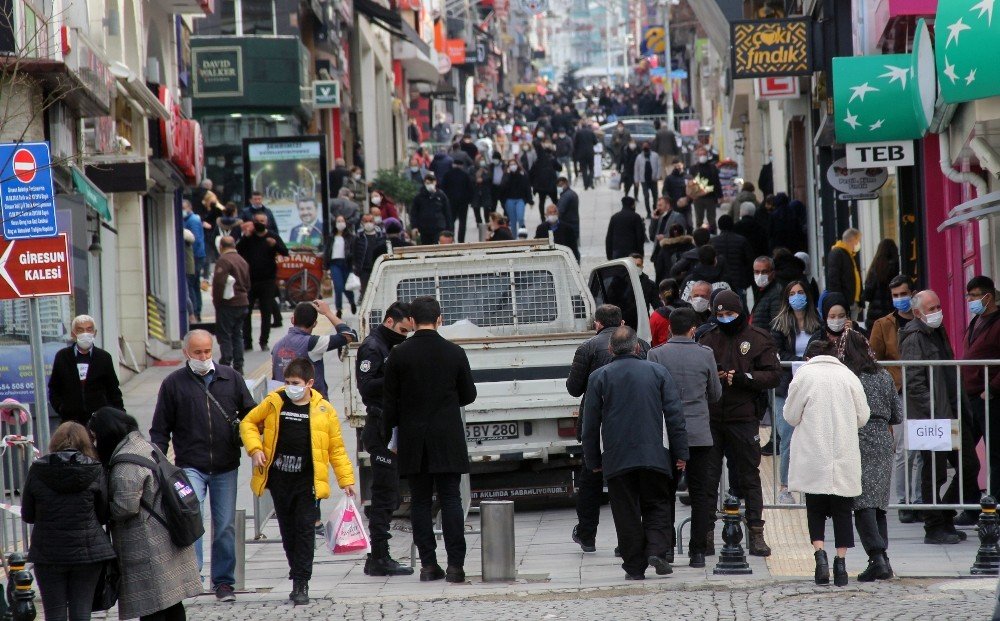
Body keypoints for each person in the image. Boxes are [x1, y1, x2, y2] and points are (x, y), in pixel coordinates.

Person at [149, 330, 257, 601]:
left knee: (224, 526)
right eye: (198, 352)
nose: (203, 357)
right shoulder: (174, 384)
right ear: (186, 352)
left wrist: (258, 445)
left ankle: (223, 582)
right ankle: (192, 575)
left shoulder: (230, 377)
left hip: (225, 464)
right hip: (190, 464)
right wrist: (158, 464)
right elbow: (160, 428)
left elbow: (251, 415)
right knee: (191, 519)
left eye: (207, 351)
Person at [241, 358, 356, 605]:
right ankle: (296, 569)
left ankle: (301, 582)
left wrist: (346, 480)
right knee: (288, 532)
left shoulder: (324, 410)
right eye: (287, 382)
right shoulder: (275, 402)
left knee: (304, 531)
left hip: (308, 482)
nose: (290, 386)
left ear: (309, 383)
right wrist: (255, 449)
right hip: (280, 481)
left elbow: (336, 449)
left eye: (296, 383)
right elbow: (248, 423)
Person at [382, 296, 477, 583]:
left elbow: (390, 403)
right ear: (440, 319)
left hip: (413, 438)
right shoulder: (454, 352)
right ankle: (456, 566)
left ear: (410, 321)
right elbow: (469, 394)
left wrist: (389, 436)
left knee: (420, 501)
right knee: (450, 498)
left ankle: (428, 564)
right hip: (446, 435)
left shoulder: (398, 354)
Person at [581, 326, 688, 580]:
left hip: (617, 457)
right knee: (658, 503)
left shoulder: (599, 377)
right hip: (654, 452)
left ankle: (634, 566)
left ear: (610, 349)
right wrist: (680, 452)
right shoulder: (658, 372)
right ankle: (657, 550)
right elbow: (675, 416)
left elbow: (590, 424)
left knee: (625, 511)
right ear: (638, 347)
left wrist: (593, 459)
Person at [90, 407, 202, 620]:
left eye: (95, 437)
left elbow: (125, 507)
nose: (94, 443)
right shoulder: (145, 446)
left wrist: (101, 511)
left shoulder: (125, 464)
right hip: (168, 535)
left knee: (154, 607)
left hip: (148, 545)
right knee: (172, 604)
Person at [698, 290, 781, 557]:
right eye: (719, 315)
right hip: (712, 417)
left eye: (729, 314)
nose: (724, 319)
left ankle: (757, 533)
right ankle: (706, 536)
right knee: (708, 479)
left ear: (740, 312)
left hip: (744, 416)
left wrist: (745, 378)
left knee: (749, 476)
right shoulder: (707, 338)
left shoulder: (758, 338)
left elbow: (773, 375)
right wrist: (715, 376)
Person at [783, 338, 870, 587]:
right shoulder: (848, 376)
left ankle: (819, 557)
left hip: (814, 454)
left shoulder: (804, 375)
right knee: (843, 511)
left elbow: (790, 416)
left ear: (808, 357)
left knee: (816, 509)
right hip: (843, 453)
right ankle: (840, 564)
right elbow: (863, 416)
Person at [566, 305, 650, 552]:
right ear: (622, 321)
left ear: (597, 324)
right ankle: (629, 538)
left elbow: (573, 388)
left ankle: (587, 534)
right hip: (634, 422)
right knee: (630, 483)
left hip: (597, 422)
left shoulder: (588, 347)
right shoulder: (641, 345)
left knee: (591, 480)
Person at [899, 289, 981, 544]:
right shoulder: (914, 338)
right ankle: (934, 526)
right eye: (931, 309)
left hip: (952, 411)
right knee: (934, 474)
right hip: (933, 417)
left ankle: (944, 515)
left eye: (937, 307)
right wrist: (934, 414)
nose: (937, 313)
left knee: (969, 466)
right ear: (917, 313)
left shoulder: (937, 332)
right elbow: (914, 382)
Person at [647, 309, 721, 568]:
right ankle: (698, 552)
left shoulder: (655, 354)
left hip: (666, 433)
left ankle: (665, 549)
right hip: (699, 433)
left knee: (663, 493)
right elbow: (715, 394)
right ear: (693, 329)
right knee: (700, 493)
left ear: (669, 329)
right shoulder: (706, 355)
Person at [21, 422, 117, 621]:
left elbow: (28, 514)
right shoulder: (95, 470)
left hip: (48, 552)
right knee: (81, 611)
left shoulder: (38, 470)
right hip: (87, 552)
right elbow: (102, 513)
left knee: (54, 613)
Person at [356, 303, 415, 577]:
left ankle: (378, 555)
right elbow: (366, 386)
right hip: (379, 427)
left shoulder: (391, 345)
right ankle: (379, 556)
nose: (405, 336)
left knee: (390, 494)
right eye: (402, 330)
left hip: (390, 426)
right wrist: (397, 376)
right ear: (389, 321)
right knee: (384, 495)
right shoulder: (373, 346)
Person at [837, 329, 901, 582]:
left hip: (858, 438)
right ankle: (883, 558)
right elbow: (897, 413)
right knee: (878, 504)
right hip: (883, 440)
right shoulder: (884, 375)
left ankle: (877, 557)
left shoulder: (849, 378)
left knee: (863, 502)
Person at [868, 275, 922, 521]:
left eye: (904, 294)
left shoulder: (923, 319)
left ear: (912, 293)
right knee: (902, 449)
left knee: (921, 448)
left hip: (922, 389)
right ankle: (903, 500)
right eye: (895, 295)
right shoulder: (884, 324)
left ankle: (920, 498)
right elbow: (873, 361)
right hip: (898, 390)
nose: (900, 299)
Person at [768, 280, 821, 503]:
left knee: (814, 436)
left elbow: (820, 349)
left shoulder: (817, 323)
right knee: (788, 436)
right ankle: (785, 486)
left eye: (801, 293)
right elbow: (778, 355)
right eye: (792, 293)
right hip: (786, 388)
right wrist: (803, 361)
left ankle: (814, 485)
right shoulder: (779, 324)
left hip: (813, 387)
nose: (797, 297)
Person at [271, 300, 357, 399]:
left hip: (282, 404)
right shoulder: (313, 343)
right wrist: (327, 313)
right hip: (311, 406)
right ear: (315, 324)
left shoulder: (277, 346)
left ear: (292, 320)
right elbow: (349, 335)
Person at [48, 314, 123, 426]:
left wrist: (119, 414)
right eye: (80, 330)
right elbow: (54, 388)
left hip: (99, 421)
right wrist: (61, 408)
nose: (85, 334)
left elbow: (113, 389)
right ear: (73, 334)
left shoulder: (104, 357)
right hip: (71, 422)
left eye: (89, 329)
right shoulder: (63, 356)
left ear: (95, 333)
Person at [963, 276, 1000, 496]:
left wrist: (993, 389)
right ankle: (971, 504)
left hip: (989, 398)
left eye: (974, 296)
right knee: (965, 453)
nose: (970, 300)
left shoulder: (997, 322)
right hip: (971, 397)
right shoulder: (976, 320)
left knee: (994, 452)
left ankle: (994, 505)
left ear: (988, 296)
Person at [237, 213, 289, 351]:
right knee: (246, 312)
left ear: (267, 222)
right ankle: (247, 342)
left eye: (262, 221)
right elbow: (237, 250)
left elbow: (285, 252)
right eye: (257, 220)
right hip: (250, 281)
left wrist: (275, 245)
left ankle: (263, 341)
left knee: (266, 312)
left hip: (268, 280)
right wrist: (245, 237)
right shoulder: (249, 237)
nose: (260, 223)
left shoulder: (272, 236)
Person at [212, 236, 251, 374]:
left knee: (225, 334)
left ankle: (226, 363)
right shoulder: (242, 260)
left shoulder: (224, 260)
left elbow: (219, 284)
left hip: (228, 304)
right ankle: (239, 365)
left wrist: (216, 302)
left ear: (221, 247)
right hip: (242, 302)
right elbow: (247, 284)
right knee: (237, 334)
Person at [710, 215, 754, 300]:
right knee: (740, 306)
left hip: (719, 281)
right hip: (739, 281)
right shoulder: (742, 240)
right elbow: (749, 260)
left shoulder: (713, 242)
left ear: (719, 226)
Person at [826, 228, 864, 320]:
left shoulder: (849, 254)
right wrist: (838, 302)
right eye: (858, 240)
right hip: (845, 302)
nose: (858, 243)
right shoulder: (838, 253)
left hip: (853, 302)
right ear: (852, 239)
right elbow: (833, 280)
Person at [860, 240, 900, 326]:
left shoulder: (875, 267)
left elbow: (868, 294)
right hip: (891, 312)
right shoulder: (895, 267)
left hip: (874, 315)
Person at [325, 214, 357, 317]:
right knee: (338, 287)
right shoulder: (331, 237)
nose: (340, 223)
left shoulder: (350, 237)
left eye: (342, 221)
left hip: (346, 263)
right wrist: (325, 267)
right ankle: (339, 309)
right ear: (335, 224)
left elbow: (353, 251)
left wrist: (354, 264)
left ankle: (352, 302)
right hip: (335, 264)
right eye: (338, 221)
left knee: (346, 287)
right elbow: (327, 252)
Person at [181, 200, 207, 322]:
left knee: (191, 285)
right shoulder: (191, 220)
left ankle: (195, 312)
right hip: (196, 256)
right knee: (194, 285)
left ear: (189, 207)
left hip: (195, 257)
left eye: (183, 207)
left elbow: (195, 241)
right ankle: (197, 311)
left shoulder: (193, 221)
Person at [410, 173, 451, 245]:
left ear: (435, 182)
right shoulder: (419, 197)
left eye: (431, 182)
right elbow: (414, 213)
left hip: (439, 227)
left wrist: (449, 229)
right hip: (424, 229)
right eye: (427, 183)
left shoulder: (441, 195)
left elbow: (447, 212)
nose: (429, 185)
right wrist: (414, 226)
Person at [352, 214, 387, 298]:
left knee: (379, 291)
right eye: (366, 221)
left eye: (370, 221)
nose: (368, 223)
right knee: (366, 293)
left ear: (374, 222)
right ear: (362, 223)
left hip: (379, 267)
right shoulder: (358, 237)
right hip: (363, 269)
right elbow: (354, 252)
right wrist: (355, 267)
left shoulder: (381, 235)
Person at [688, 147, 721, 232]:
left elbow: (717, 182)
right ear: (697, 156)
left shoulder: (713, 167)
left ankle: (713, 235)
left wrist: (720, 196)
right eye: (701, 154)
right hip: (698, 198)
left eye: (704, 154)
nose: (702, 156)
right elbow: (690, 184)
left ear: (707, 155)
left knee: (712, 220)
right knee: (699, 220)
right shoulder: (693, 168)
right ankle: (699, 237)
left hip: (711, 197)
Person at [442, 161, 475, 242]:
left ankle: (451, 239)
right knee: (462, 222)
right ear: (461, 166)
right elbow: (470, 189)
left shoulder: (447, 174)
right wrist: (469, 200)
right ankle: (461, 240)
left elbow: (443, 188)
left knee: (451, 221)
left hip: (450, 202)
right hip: (463, 203)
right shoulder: (465, 175)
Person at [500, 158, 533, 234]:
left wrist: (530, 200)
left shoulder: (522, 174)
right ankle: (514, 239)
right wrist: (508, 175)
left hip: (520, 199)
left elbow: (527, 187)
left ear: (517, 165)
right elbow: (502, 187)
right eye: (511, 165)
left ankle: (522, 233)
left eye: (514, 164)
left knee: (520, 218)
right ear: (508, 166)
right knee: (513, 221)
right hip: (509, 200)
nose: (513, 166)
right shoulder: (506, 175)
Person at [529, 144, 560, 220]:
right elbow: (560, 168)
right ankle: (558, 215)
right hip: (551, 185)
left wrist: (533, 184)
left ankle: (542, 218)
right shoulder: (552, 159)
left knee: (541, 202)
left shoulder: (538, 161)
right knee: (555, 201)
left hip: (541, 186)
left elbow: (531, 172)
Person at [750, 256, 781, 328]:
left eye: (764, 272)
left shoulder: (776, 294)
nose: (760, 275)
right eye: (757, 272)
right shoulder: (762, 291)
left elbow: (777, 326)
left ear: (773, 273)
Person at [556, 175, 581, 262]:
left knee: (570, 248)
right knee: (574, 247)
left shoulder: (566, 196)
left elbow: (560, 211)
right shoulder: (571, 194)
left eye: (561, 185)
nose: (559, 187)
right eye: (558, 186)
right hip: (573, 224)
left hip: (569, 225)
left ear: (566, 183)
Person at [633, 143, 660, 219]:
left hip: (653, 180)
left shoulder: (655, 155)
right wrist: (636, 180)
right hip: (644, 180)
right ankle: (648, 212)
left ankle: (655, 209)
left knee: (655, 196)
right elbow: (636, 169)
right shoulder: (639, 157)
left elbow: (659, 166)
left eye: (646, 146)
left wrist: (657, 176)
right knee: (646, 196)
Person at [572, 119, 597, 190]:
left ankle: (586, 185)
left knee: (584, 169)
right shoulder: (591, 132)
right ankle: (590, 182)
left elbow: (575, 144)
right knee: (591, 168)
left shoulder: (578, 133)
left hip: (581, 153)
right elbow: (595, 142)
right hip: (590, 152)